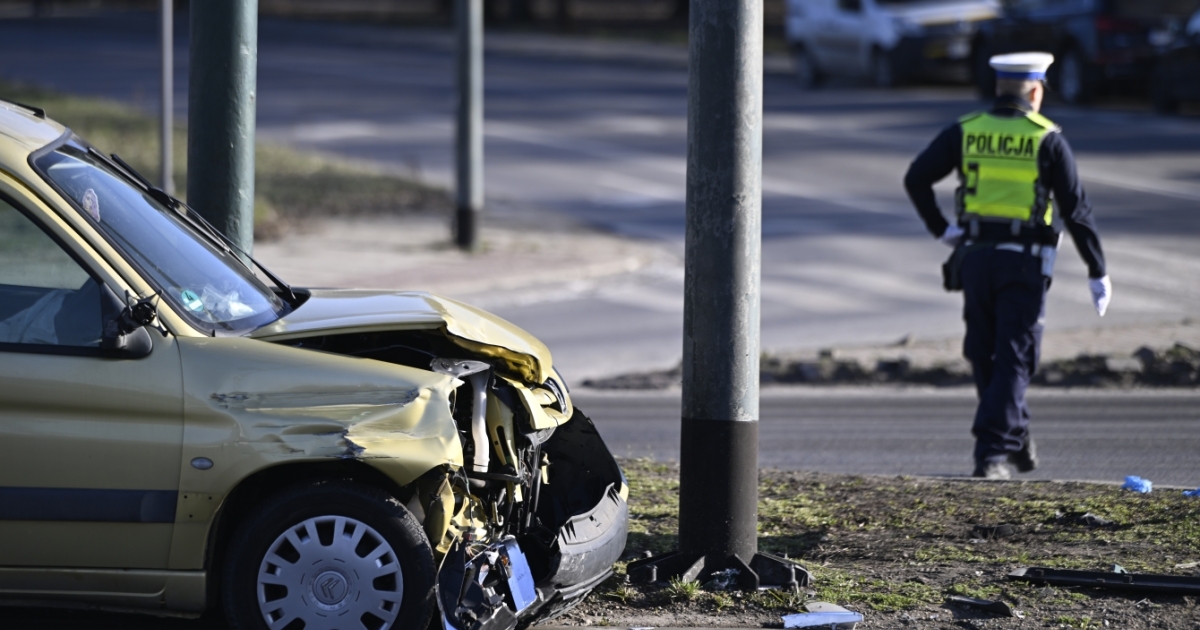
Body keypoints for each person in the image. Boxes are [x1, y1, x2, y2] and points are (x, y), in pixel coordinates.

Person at [903, 52, 1111, 480]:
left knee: (984, 352)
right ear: (1035, 91)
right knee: (1014, 357)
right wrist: (1097, 270)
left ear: (999, 87)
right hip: (1025, 264)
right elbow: (1077, 210)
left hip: (976, 260)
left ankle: (1013, 437)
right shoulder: (1047, 138)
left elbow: (917, 178)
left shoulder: (967, 132)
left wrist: (942, 231)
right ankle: (993, 452)